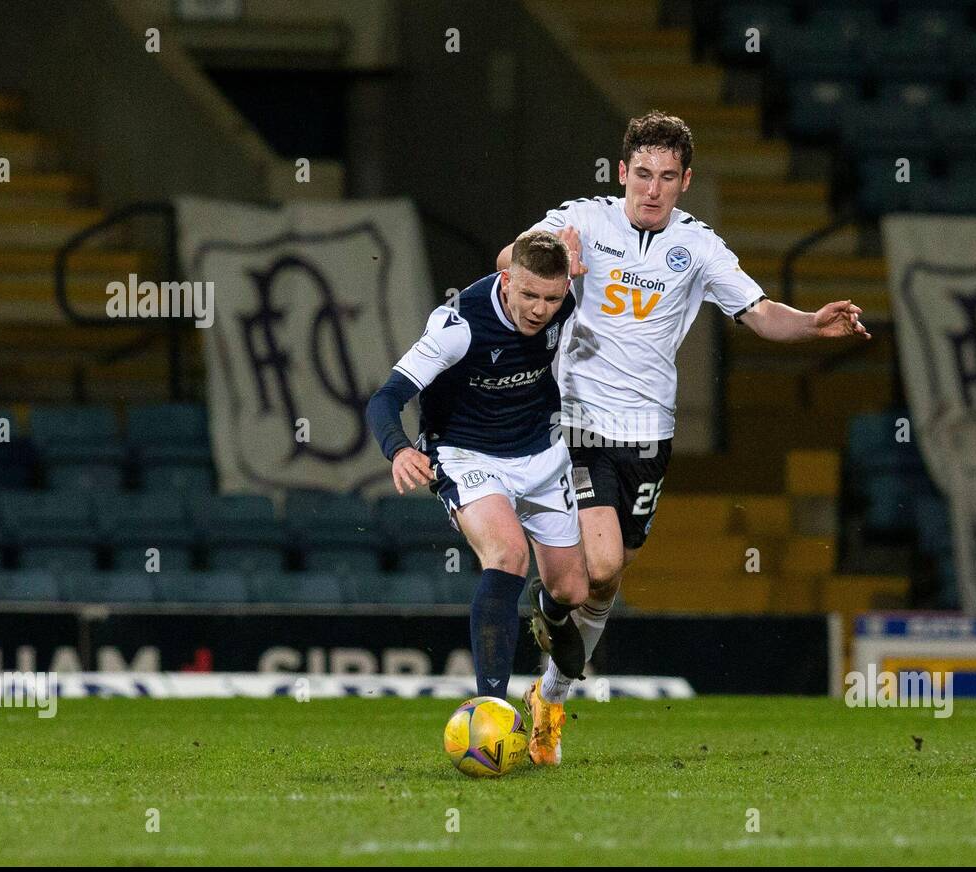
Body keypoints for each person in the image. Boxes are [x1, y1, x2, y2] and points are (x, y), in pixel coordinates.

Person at [496, 111, 869, 764]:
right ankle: (553, 606)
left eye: (667, 177)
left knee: (608, 584)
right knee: (600, 566)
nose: (652, 189)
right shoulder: (583, 219)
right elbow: (510, 257)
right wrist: (549, 258)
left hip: (648, 436)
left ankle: (550, 698)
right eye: (642, 174)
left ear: (685, 181)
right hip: (576, 422)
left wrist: (812, 323)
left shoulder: (698, 248)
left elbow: (759, 315)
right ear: (622, 173)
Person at [368, 230, 588, 764]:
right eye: (529, 295)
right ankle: (491, 710)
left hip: (541, 455)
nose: (540, 310)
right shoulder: (457, 326)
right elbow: (386, 398)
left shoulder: (565, 300)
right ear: (506, 281)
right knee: (508, 555)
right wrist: (398, 450)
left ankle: (545, 622)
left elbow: (548, 279)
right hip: (467, 456)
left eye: (552, 298)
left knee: (574, 591)